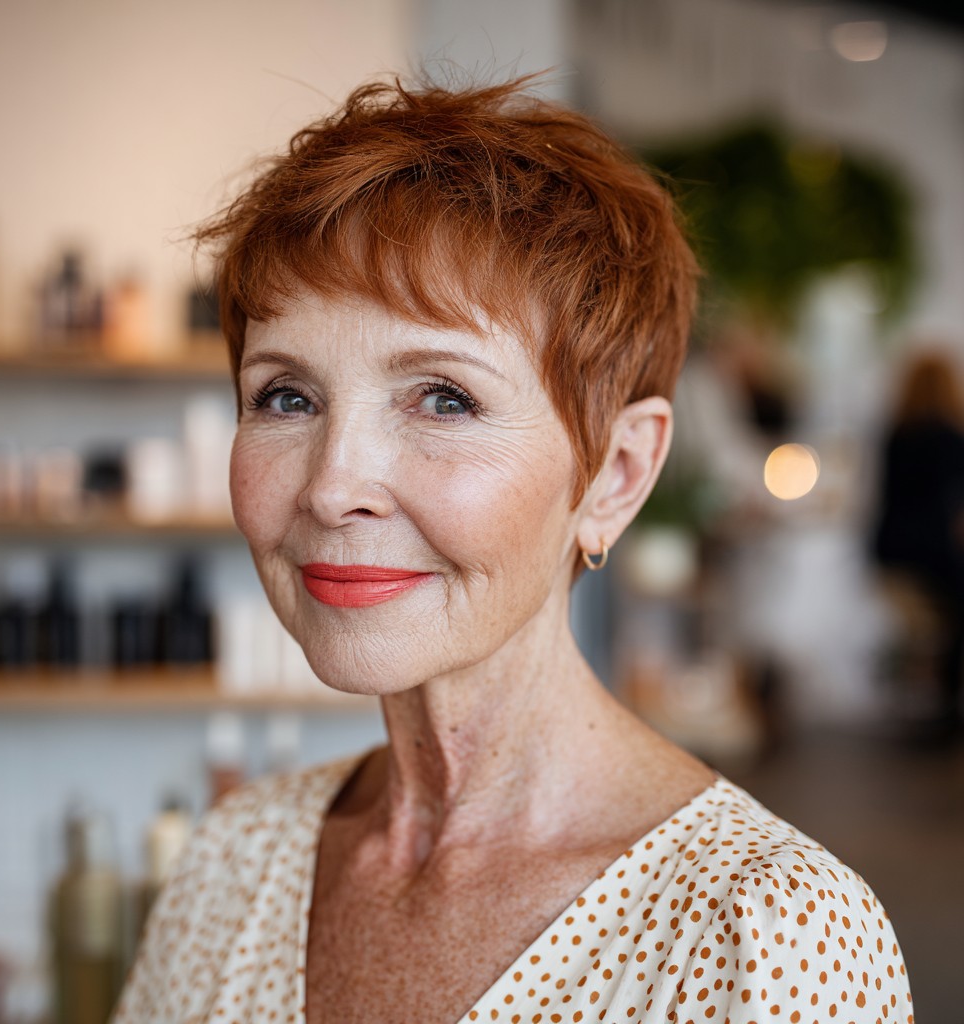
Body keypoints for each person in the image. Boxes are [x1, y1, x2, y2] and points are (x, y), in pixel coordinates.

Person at [114, 77, 912, 1024]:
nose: (332, 486)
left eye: (444, 398)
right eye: (287, 396)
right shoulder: (237, 857)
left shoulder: (767, 935)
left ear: (614, 474)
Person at [874, 349, 964, 730]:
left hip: (889, 547)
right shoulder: (950, 436)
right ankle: (947, 700)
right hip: (931, 551)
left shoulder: (895, 434)